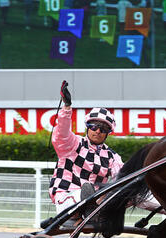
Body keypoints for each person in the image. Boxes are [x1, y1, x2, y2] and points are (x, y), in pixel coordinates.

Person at [49, 81, 124, 215]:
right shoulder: (72, 144)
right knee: (86, 192)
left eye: (103, 128)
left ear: (108, 132)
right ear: (87, 127)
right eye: (94, 126)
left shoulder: (113, 157)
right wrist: (66, 107)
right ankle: (89, 207)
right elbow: (62, 133)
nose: (98, 131)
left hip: (95, 203)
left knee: (127, 190)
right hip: (66, 198)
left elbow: (124, 177)